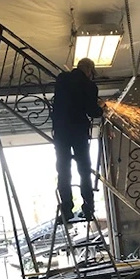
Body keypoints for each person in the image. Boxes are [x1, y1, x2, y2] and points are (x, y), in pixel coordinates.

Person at [51, 57, 104, 221]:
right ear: (89, 70)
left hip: (61, 132)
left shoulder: (62, 78)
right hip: (79, 132)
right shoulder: (89, 85)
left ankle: (66, 209)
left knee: (63, 170)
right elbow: (92, 111)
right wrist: (101, 109)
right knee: (84, 170)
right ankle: (88, 208)